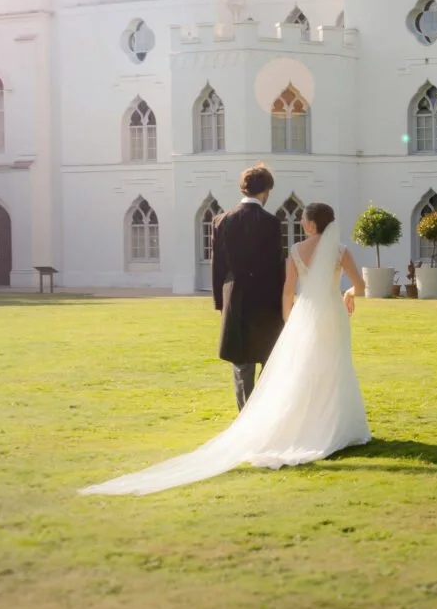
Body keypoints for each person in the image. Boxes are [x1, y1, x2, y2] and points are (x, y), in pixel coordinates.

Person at [80, 202, 370, 496]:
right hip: (332, 313)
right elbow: (360, 285)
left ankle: (305, 423)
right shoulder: (341, 251)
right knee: (334, 365)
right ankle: (333, 424)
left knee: (303, 369)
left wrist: (288, 321)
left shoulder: (296, 251)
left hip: (305, 314)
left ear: (309, 224)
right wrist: (347, 292)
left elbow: (287, 291)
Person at [211, 164, 287, 411]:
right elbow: (278, 267)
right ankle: (264, 416)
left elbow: (218, 267)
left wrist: (220, 303)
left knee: (241, 362)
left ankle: (244, 416)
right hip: (267, 299)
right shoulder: (272, 223)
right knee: (268, 359)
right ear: (265, 190)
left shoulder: (221, 220)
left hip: (235, 297)